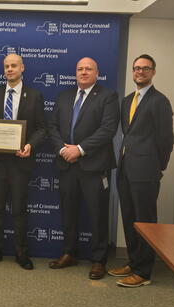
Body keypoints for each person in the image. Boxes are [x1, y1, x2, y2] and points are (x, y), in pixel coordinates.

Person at [48, 57, 120, 279]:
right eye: (80, 69)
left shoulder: (108, 97)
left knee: (98, 214)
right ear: (75, 73)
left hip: (94, 166)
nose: (84, 72)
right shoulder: (64, 96)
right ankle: (70, 252)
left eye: (88, 69)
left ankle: (98, 260)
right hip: (66, 164)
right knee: (68, 212)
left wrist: (79, 149)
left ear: (97, 73)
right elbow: (52, 127)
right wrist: (63, 149)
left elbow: (108, 130)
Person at [108, 54, 174, 287]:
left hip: (146, 172)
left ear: (153, 72)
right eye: (137, 68)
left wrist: (157, 166)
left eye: (146, 68)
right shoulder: (127, 100)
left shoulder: (160, 101)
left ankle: (144, 273)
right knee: (129, 218)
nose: (140, 72)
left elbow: (166, 140)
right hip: (126, 169)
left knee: (145, 221)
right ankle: (134, 262)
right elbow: (129, 135)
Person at [0, 53, 46, 270]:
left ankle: (21, 253)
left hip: (20, 161)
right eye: (6, 66)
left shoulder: (34, 96)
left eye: (13, 65)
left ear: (22, 68)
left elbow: (41, 128)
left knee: (19, 210)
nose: (9, 69)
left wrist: (30, 145)